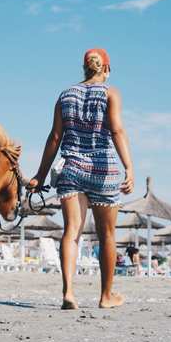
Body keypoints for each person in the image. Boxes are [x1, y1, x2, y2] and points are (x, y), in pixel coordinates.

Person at [28, 47, 133, 309]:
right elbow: (117, 130)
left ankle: (69, 293)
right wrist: (129, 167)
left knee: (71, 231)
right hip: (103, 168)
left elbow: (55, 137)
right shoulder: (111, 93)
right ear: (106, 69)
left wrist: (40, 175)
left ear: (85, 68)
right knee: (107, 234)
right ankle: (106, 296)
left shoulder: (66, 95)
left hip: (72, 168)